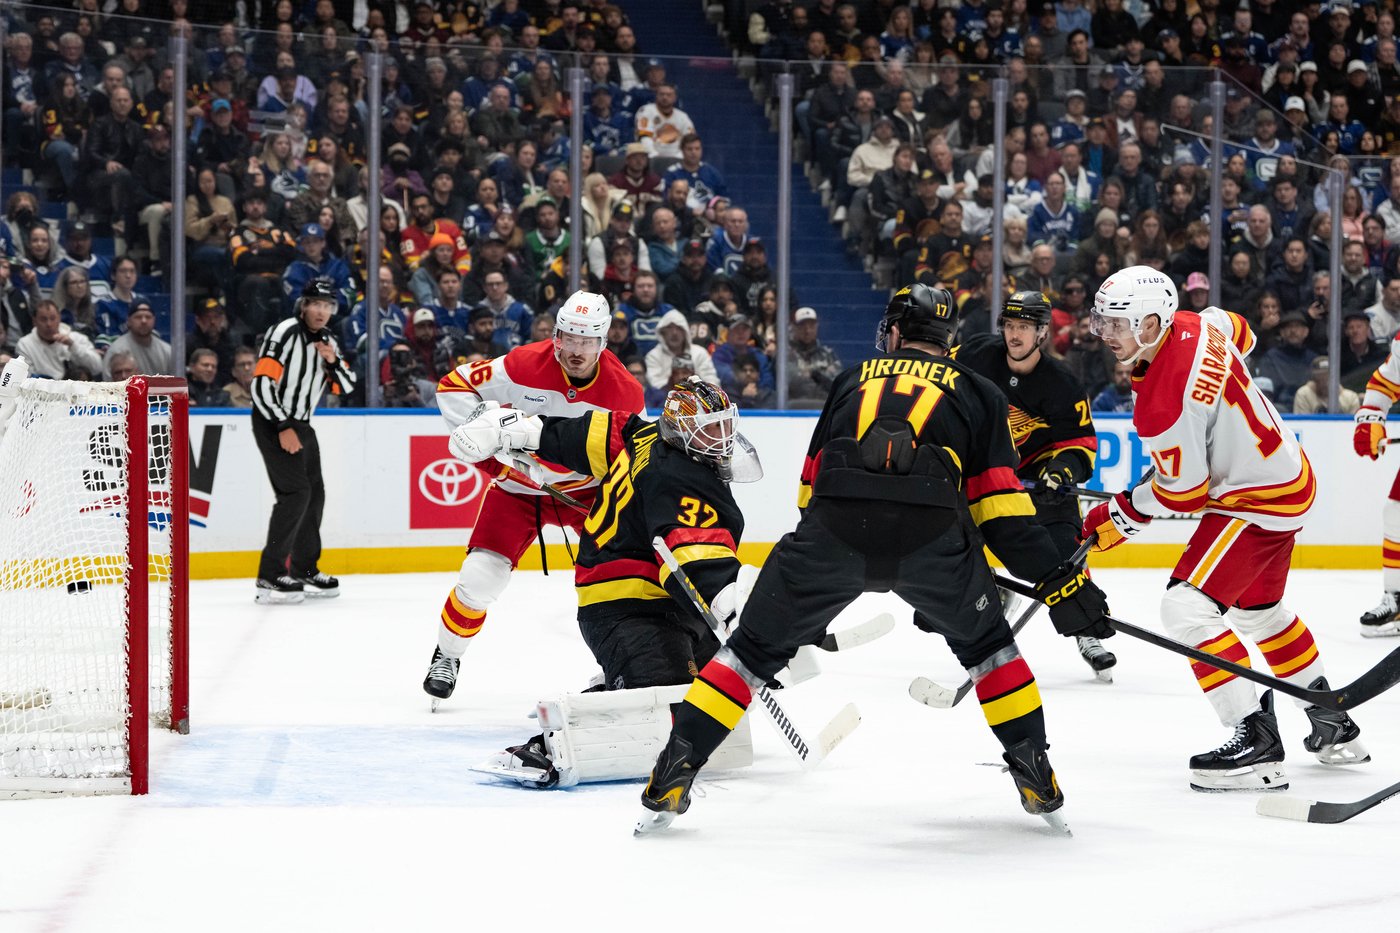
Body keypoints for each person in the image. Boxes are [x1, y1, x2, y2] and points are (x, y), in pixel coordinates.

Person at [633, 284, 1111, 833]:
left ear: (896, 332)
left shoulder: (848, 379)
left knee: (748, 653)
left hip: (832, 535)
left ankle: (677, 764)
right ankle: (1032, 765)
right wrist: (1060, 582)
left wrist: (806, 593)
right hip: (933, 543)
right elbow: (1002, 515)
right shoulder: (979, 391)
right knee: (990, 648)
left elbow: (809, 493)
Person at [1083, 265, 1367, 791]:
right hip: (1289, 476)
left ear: (1151, 324)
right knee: (1261, 613)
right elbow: (1243, 331)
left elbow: (1183, 493)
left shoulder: (1162, 401)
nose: (1106, 334)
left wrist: (1120, 513)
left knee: (1185, 607)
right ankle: (1333, 721)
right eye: (1103, 322)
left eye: (1117, 323)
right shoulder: (1200, 321)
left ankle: (1255, 741)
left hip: (1255, 498)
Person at [447, 377, 760, 787]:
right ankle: (544, 747)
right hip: (626, 605)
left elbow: (576, 434)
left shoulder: (639, 433)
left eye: (724, 425)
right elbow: (696, 556)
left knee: (723, 694)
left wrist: (515, 428)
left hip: (664, 605)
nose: (721, 438)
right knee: (666, 711)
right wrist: (743, 615)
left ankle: (619, 676)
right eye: (710, 427)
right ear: (683, 425)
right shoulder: (680, 477)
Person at [421, 292, 645, 708]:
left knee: (618, 578)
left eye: (587, 341)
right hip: (517, 492)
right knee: (479, 578)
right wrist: (488, 448)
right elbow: (453, 385)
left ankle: (625, 665)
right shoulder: (521, 364)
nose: (576, 351)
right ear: (556, 335)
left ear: (603, 343)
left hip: (584, 493)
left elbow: (622, 457)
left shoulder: (626, 392)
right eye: (568, 338)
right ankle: (447, 656)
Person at [950, 290, 1114, 678]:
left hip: (1040, 481)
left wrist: (1061, 470)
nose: (1014, 334)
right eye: (1009, 325)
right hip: (985, 474)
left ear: (1042, 332)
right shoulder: (975, 354)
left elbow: (1081, 445)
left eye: (1024, 327)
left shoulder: (1063, 384)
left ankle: (1087, 634)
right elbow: (938, 377)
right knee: (950, 546)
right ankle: (990, 599)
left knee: (1064, 557)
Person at [249, 278, 356, 604]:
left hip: (303, 425)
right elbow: (261, 383)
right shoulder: (283, 332)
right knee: (296, 494)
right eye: (316, 304)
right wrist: (282, 425)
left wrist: (332, 361)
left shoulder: (328, 341)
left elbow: (346, 386)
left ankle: (304, 569)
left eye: (328, 305)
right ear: (304, 305)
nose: (322, 311)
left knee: (314, 496)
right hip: (273, 420)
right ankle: (269, 575)